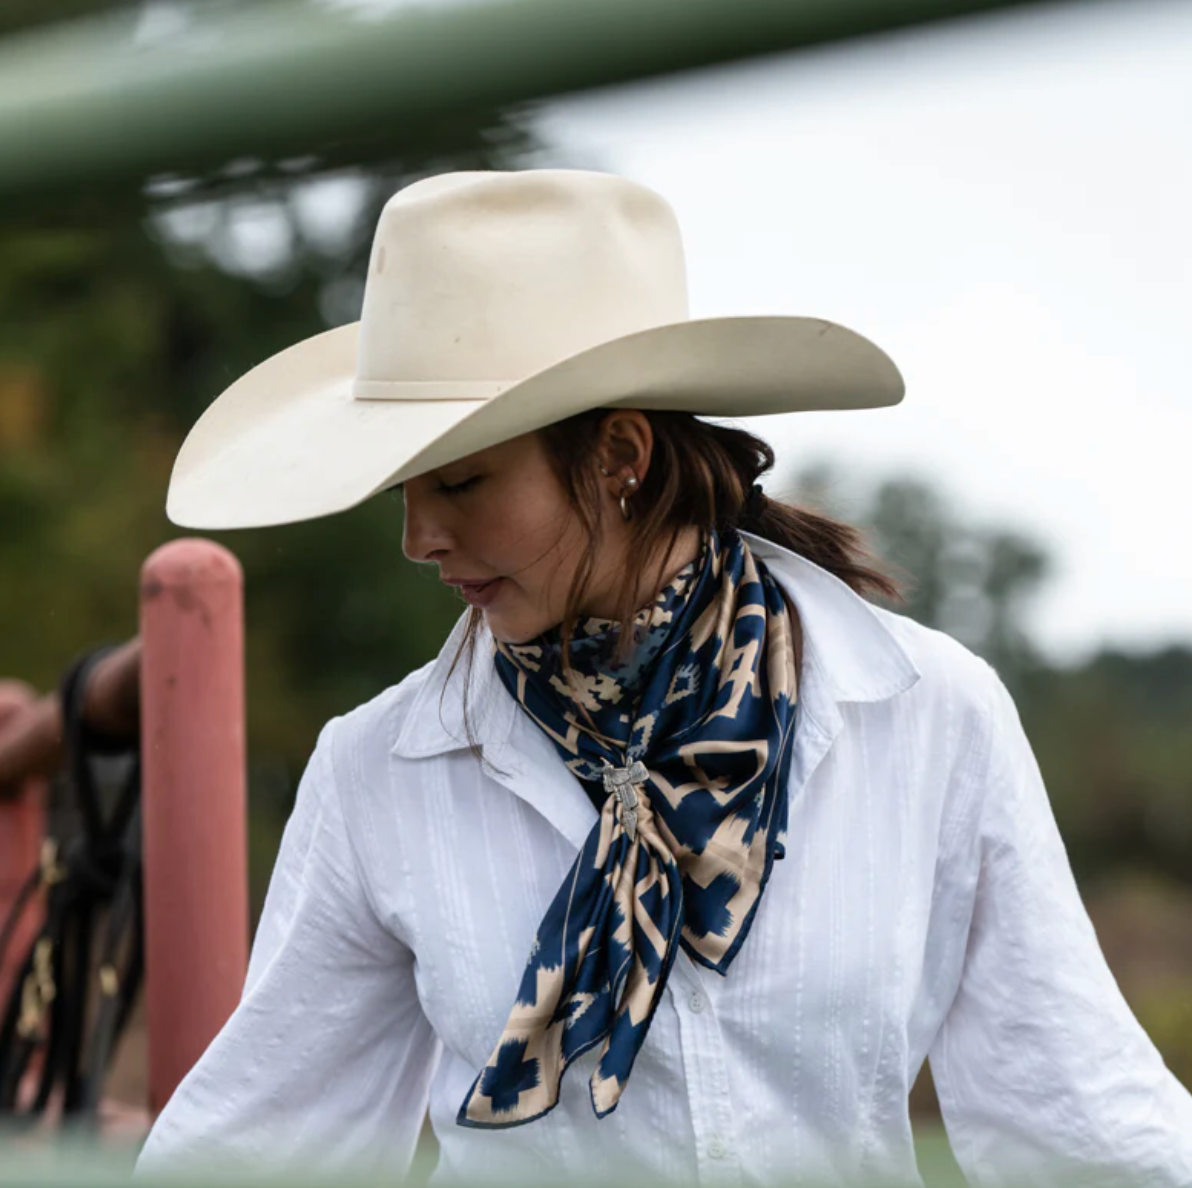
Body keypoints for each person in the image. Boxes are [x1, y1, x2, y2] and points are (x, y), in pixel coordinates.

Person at [137, 170, 1192, 1185]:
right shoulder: (376, 770)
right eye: (403, 490)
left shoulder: (930, 715)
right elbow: (260, 1144)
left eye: (459, 480)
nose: (418, 537)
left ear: (620, 455)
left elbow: (1081, 1118)